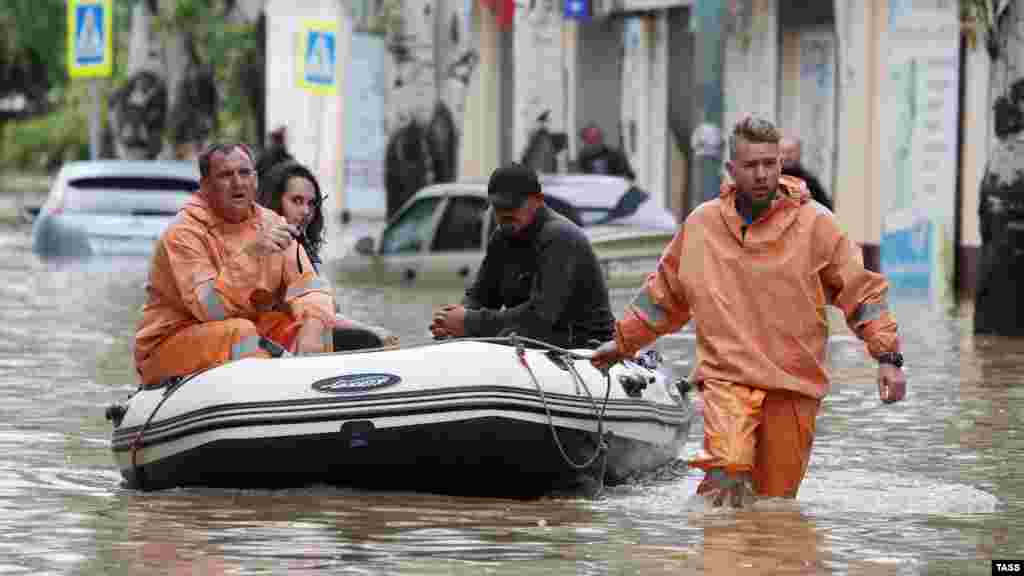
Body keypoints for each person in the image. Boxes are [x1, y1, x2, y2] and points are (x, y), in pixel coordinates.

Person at [590, 116, 907, 507]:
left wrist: (888, 357)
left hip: (795, 386)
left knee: (775, 506)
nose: (762, 174)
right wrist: (622, 345)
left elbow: (862, 292)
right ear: (731, 169)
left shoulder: (816, 225)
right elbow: (663, 296)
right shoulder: (702, 225)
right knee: (728, 468)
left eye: (770, 164)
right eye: (751, 165)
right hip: (727, 378)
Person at [134, 143, 335, 387]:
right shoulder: (183, 233)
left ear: (256, 180)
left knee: (318, 325)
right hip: (169, 344)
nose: (238, 183)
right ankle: (278, 396)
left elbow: (310, 287)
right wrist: (253, 253)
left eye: (244, 173)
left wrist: (313, 324)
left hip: (248, 331)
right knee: (240, 333)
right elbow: (211, 310)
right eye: (226, 175)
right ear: (206, 186)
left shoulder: (273, 223)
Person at [429, 163, 615, 348]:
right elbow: (481, 296)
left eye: (513, 206)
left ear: (538, 200)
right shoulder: (502, 237)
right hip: (537, 345)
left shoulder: (559, 237)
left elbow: (540, 317)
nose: (505, 214)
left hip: (587, 350)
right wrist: (452, 320)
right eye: (498, 207)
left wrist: (470, 322)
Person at [257, 160, 400, 350]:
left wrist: (372, 329)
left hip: (302, 336)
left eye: (312, 203)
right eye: (297, 201)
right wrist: (371, 332)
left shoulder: (304, 250)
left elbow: (326, 310)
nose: (306, 211)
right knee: (368, 340)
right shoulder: (265, 246)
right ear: (275, 200)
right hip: (273, 344)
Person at [779, 135, 832, 210]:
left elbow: (826, 210)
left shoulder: (810, 181)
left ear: (800, 153)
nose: (787, 156)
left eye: (791, 151)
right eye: (783, 151)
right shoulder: (771, 180)